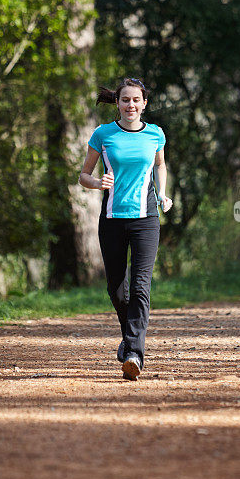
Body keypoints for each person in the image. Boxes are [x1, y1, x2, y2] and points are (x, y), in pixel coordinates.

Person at [78, 78, 172, 381]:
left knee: (140, 286)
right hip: (112, 219)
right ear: (117, 103)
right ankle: (130, 338)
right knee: (117, 290)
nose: (130, 105)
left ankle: (134, 353)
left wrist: (164, 193)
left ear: (144, 103)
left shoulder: (156, 134)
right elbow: (83, 175)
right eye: (125, 100)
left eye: (136, 100)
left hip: (146, 219)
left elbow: (160, 166)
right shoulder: (103, 134)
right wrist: (96, 182)